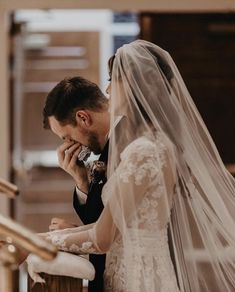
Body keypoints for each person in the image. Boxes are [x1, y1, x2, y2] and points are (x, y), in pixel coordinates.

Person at [40, 40, 235, 291]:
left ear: (134, 86)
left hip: (140, 280)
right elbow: (115, 224)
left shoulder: (144, 150)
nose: (108, 90)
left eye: (113, 79)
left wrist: (36, 241)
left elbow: (103, 237)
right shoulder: (151, 144)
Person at [43, 76, 110, 292]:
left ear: (83, 118)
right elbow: (109, 220)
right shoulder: (108, 148)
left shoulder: (128, 147)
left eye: (66, 136)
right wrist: (82, 181)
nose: (68, 145)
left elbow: (114, 234)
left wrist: (68, 236)